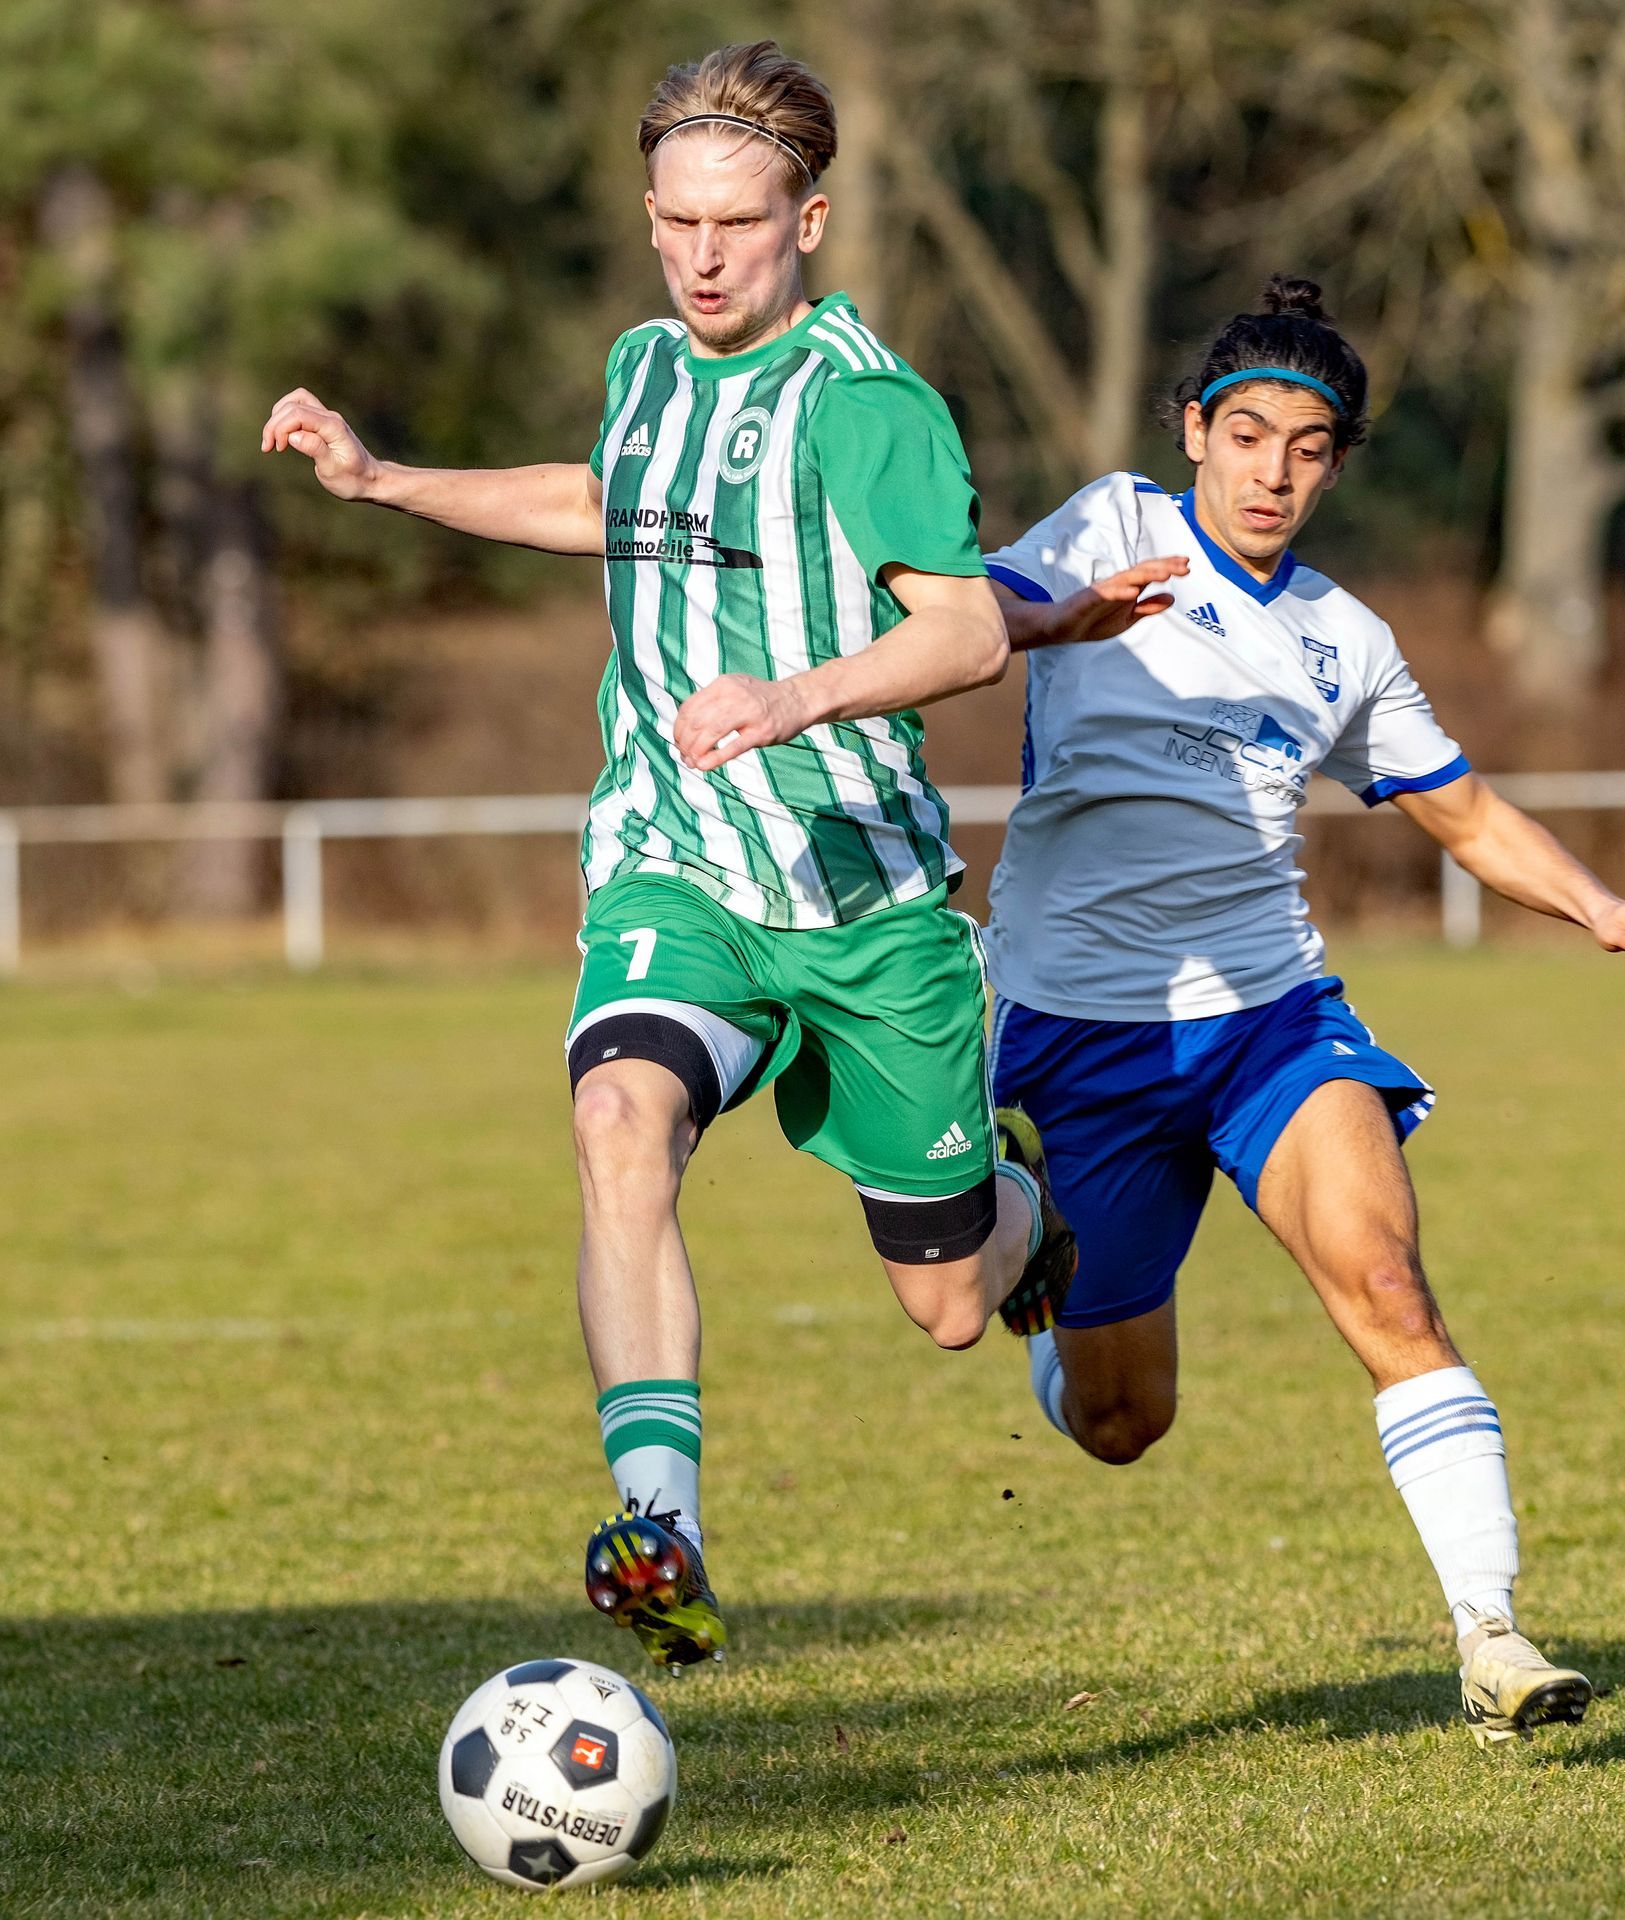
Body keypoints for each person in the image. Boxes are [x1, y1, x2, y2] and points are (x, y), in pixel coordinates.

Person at [262, 40, 1075, 1674]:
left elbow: (970, 630)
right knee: (616, 1118)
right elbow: (602, 500)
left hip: (862, 901)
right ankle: (663, 1531)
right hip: (674, 860)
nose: (706, 258)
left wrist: (794, 695)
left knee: (947, 1304)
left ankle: (1024, 1209)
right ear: (648, 217)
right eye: (679, 224)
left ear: (809, 223)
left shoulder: (865, 406)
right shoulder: (643, 368)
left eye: (740, 226)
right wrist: (382, 479)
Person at [980, 275, 1625, 1747]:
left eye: (1309, 451)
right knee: (1121, 1422)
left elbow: (1463, 810)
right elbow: (960, 619)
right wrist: (1047, 622)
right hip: (1080, 1034)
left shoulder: (1342, 637)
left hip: (1271, 1020)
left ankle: (1490, 1634)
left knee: (1385, 1283)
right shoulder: (1109, 527)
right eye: (1248, 436)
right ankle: (1037, 1265)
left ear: (1337, 466)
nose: (1274, 474)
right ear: (1195, 431)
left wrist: (1596, 903)